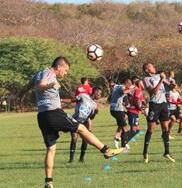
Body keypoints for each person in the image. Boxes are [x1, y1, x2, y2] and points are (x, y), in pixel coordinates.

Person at [15, 57, 120, 188]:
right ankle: (106, 150)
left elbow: (28, 86)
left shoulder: (39, 73)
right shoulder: (49, 73)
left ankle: (48, 182)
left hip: (42, 116)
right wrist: (51, 85)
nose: (65, 74)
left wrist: (17, 96)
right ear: (59, 67)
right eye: (65, 70)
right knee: (81, 128)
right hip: (53, 113)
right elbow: (41, 85)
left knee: (51, 149)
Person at [142, 63, 175, 163]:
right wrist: (161, 80)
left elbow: (170, 87)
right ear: (147, 70)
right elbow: (154, 92)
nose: (154, 67)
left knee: (165, 128)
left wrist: (171, 83)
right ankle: (145, 152)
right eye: (151, 66)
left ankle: (167, 152)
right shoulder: (146, 79)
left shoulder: (159, 76)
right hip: (154, 105)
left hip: (163, 104)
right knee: (151, 129)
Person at [62, 87, 102, 163]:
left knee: (85, 140)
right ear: (96, 92)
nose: (100, 96)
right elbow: (72, 100)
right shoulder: (83, 96)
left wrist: (95, 113)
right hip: (75, 120)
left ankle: (81, 159)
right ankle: (71, 160)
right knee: (74, 138)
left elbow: (90, 117)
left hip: (84, 122)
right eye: (99, 94)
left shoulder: (94, 105)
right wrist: (61, 100)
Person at [110, 79, 133, 150]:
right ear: (126, 83)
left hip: (115, 109)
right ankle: (123, 146)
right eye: (129, 85)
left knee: (125, 119)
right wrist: (133, 88)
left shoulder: (117, 86)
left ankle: (117, 138)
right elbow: (124, 91)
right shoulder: (121, 87)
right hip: (117, 110)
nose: (129, 87)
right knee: (125, 128)